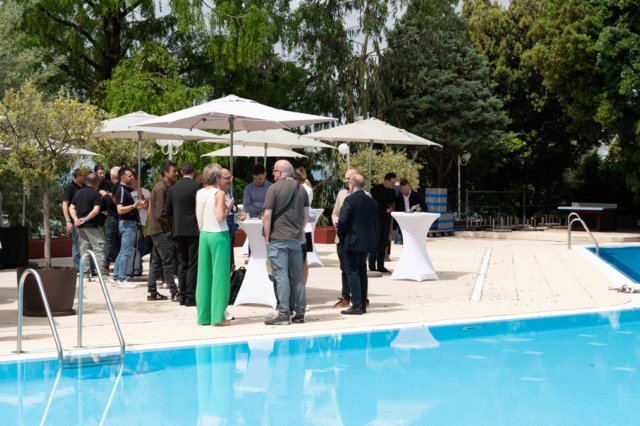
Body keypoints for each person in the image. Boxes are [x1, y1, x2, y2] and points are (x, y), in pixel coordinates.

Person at [262, 160, 309, 325]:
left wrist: (267, 237)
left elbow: (267, 215)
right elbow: (306, 216)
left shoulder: (273, 189)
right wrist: (298, 230)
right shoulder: (302, 189)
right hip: (295, 239)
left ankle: (283, 314)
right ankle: (300, 313)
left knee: (281, 277)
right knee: (298, 277)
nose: (273, 174)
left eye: (274, 171)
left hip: (278, 239)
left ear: (281, 172)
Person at [195, 164, 234, 326]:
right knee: (220, 276)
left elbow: (198, 215)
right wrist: (228, 208)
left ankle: (203, 316)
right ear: (217, 177)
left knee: (204, 277)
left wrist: (203, 230)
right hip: (219, 234)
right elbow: (220, 217)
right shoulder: (219, 193)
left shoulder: (199, 192)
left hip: (204, 234)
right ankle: (218, 317)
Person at [337, 174, 378, 315]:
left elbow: (343, 221)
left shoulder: (350, 200)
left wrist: (340, 234)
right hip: (365, 242)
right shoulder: (371, 202)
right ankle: (362, 303)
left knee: (352, 272)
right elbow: (375, 223)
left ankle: (357, 305)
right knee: (362, 272)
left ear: (352, 185)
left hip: (351, 241)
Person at [166, 161, 200, 306]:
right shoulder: (196, 187)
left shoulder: (173, 189)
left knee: (182, 263)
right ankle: (191, 297)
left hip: (178, 230)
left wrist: (173, 228)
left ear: (181, 172)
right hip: (193, 230)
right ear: (194, 172)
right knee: (193, 263)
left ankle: (182, 295)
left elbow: (168, 211)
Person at [146, 160, 179, 302]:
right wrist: (169, 229)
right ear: (165, 173)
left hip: (156, 229)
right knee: (168, 260)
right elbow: (161, 213)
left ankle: (151, 291)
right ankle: (174, 291)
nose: (176, 173)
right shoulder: (161, 188)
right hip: (160, 230)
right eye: (173, 171)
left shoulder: (163, 186)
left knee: (156, 261)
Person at [110, 166, 145, 288]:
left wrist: (136, 205)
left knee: (123, 251)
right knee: (126, 252)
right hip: (128, 224)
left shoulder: (125, 190)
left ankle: (116, 277)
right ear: (122, 177)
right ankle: (122, 278)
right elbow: (120, 209)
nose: (132, 177)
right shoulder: (121, 190)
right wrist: (134, 206)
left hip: (128, 223)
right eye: (129, 176)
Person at [69, 172, 107, 275]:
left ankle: (85, 273)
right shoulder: (96, 194)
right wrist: (85, 219)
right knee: (98, 249)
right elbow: (96, 210)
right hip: (92, 226)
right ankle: (101, 274)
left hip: (80, 227)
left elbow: (71, 207)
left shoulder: (78, 193)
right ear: (97, 182)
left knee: (84, 249)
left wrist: (75, 219)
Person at [331, 168, 358, 308]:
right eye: (345, 179)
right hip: (341, 238)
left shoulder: (365, 195)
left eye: (348, 179)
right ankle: (346, 297)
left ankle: (361, 297)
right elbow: (335, 213)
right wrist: (337, 223)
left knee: (358, 269)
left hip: (356, 238)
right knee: (344, 269)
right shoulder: (341, 194)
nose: (346, 181)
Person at [369, 172, 396, 273]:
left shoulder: (392, 191)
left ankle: (380, 265)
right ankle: (372, 265)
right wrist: (383, 209)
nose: (393, 184)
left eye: (394, 183)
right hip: (376, 220)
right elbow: (374, 204)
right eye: (392, 182)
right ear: (386, 180)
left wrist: (391, 209)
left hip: (386, 220)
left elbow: (392, 203)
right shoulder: (375, 190)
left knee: (383, 244)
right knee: (375, 243)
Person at [62, 168, 87, 271]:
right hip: (75, 220)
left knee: (86, 244)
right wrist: (68, 221)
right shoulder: (70, 188)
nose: (85, 177)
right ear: (77, 176)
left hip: (86, 220)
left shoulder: (85, 187)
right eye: (83, 176)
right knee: (77, 244)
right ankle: (77, 268)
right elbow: (65, 204)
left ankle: (86, 267)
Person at [103, 166, 121, 271]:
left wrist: (105, 196)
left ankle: (106, 264)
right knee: (118, 242)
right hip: (119, 217)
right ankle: (118, 265)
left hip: (113, 217)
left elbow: (113, 202)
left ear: (112, 176)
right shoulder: (122, 186)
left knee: (109, 241)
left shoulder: (116, 187)